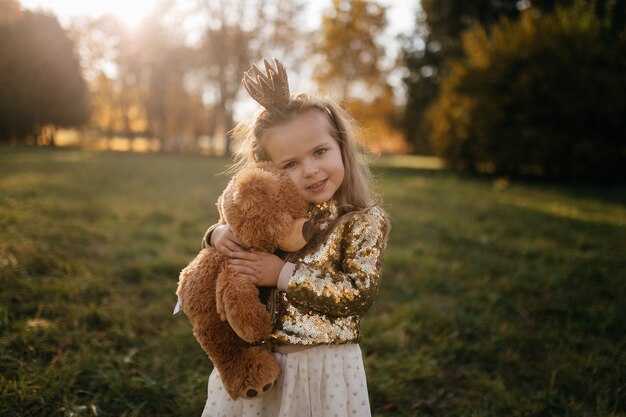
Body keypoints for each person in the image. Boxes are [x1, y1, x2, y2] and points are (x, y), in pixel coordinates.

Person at [200, 58, 390, 417]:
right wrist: (217, 234)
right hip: (262, 360)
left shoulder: (362, 222)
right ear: (268, 170)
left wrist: (281, 275)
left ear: (341, 147)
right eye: (290, 164)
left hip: (323, 366)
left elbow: (357, 292)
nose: (311, 170)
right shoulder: (274, 212)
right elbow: (239, 228)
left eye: (319, 152)